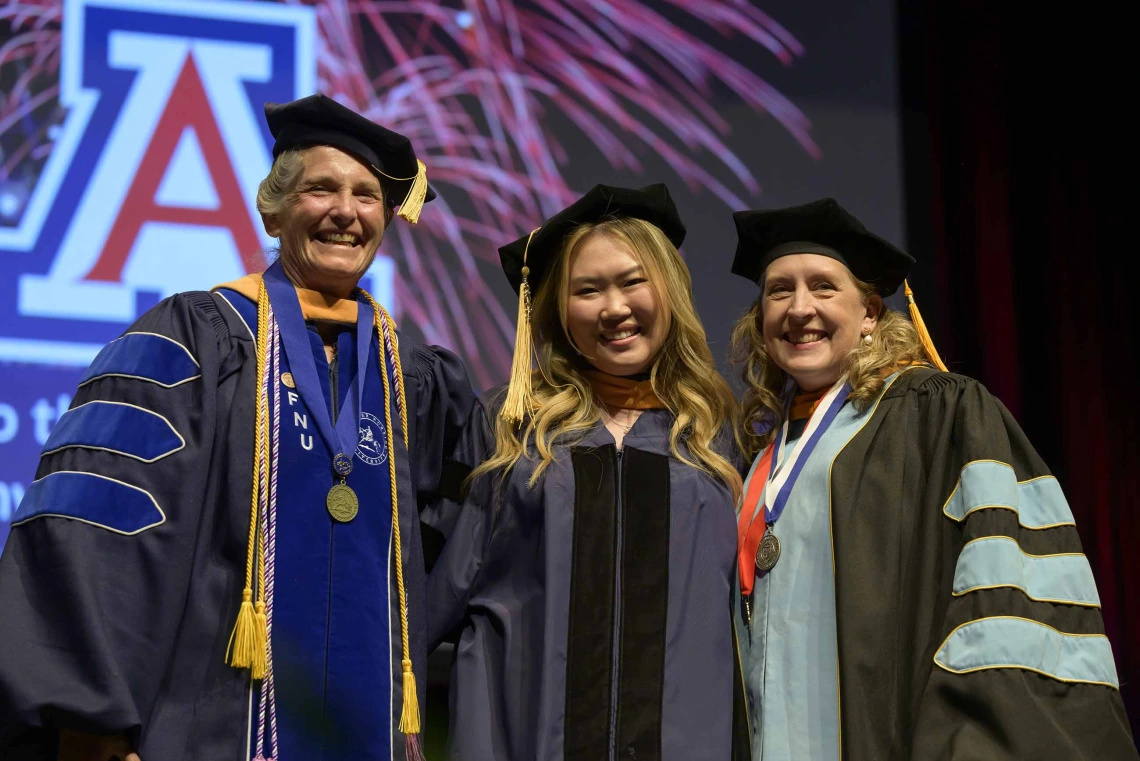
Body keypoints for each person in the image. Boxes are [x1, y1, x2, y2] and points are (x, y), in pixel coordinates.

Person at [0, 94, 474, 761]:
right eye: (320, 188)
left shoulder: (413, 380)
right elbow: (99, 529)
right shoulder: (199, 339)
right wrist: (95, 721)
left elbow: (476, 537)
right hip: (209, 731)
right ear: (272, 209)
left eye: (368, 195)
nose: (346, 211)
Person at [729, 197, 1136, 760]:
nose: (799, 308)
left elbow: (1003, 588)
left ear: (870, 312)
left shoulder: (934, 414)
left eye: (823, 286)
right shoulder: (760, 454)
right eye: (779, 290)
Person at [424, 183, 750, 760]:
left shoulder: (719, 437)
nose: (614, 308)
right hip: (521, 739)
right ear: (556, 310)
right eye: (588, 290)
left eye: (632, 281)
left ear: (669, 289)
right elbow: (436, 594)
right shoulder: (509, 428)